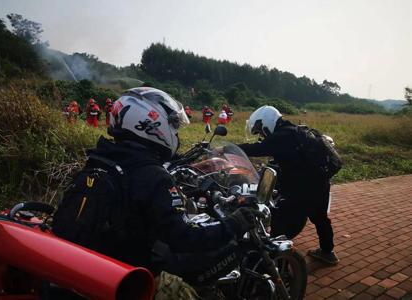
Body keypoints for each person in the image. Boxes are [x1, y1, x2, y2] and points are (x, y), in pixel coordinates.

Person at [55, 87, 262, 299]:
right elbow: (183, 237)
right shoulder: (152, 176)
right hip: (132, 279)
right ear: (149, 123)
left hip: (90, 268)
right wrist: (234, 224)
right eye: (173, 125)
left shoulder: (101, 158)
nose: (175, 132)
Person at [238, 105, 339, 265]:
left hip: (302, 187)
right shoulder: (295, 130)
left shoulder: (282, 136)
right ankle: (328, 252)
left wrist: (234, 148)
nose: (261, 135)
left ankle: (279, 262)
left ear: (267, 122)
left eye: (260, 130)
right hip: (319, 181)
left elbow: (258, 149)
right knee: (320, 219)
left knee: (281, 221)